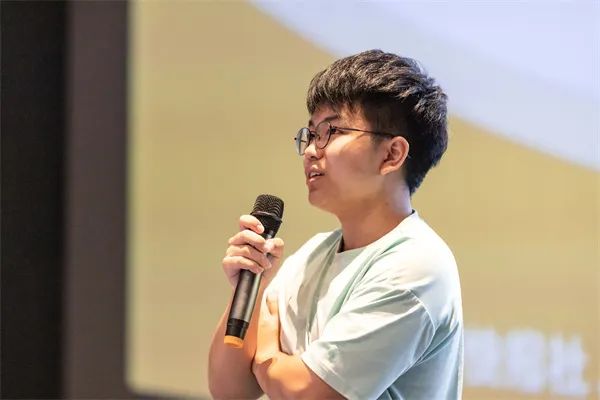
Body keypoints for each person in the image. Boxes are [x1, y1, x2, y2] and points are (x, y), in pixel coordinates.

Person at [208, 49, 463, 400]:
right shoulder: (312, 254)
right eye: (311, 134)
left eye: (332, 131)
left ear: (392, 154)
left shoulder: (416, 265)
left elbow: (307, 393)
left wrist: (266, 353)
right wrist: (251, 287)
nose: (312, 150)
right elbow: (230, 390)